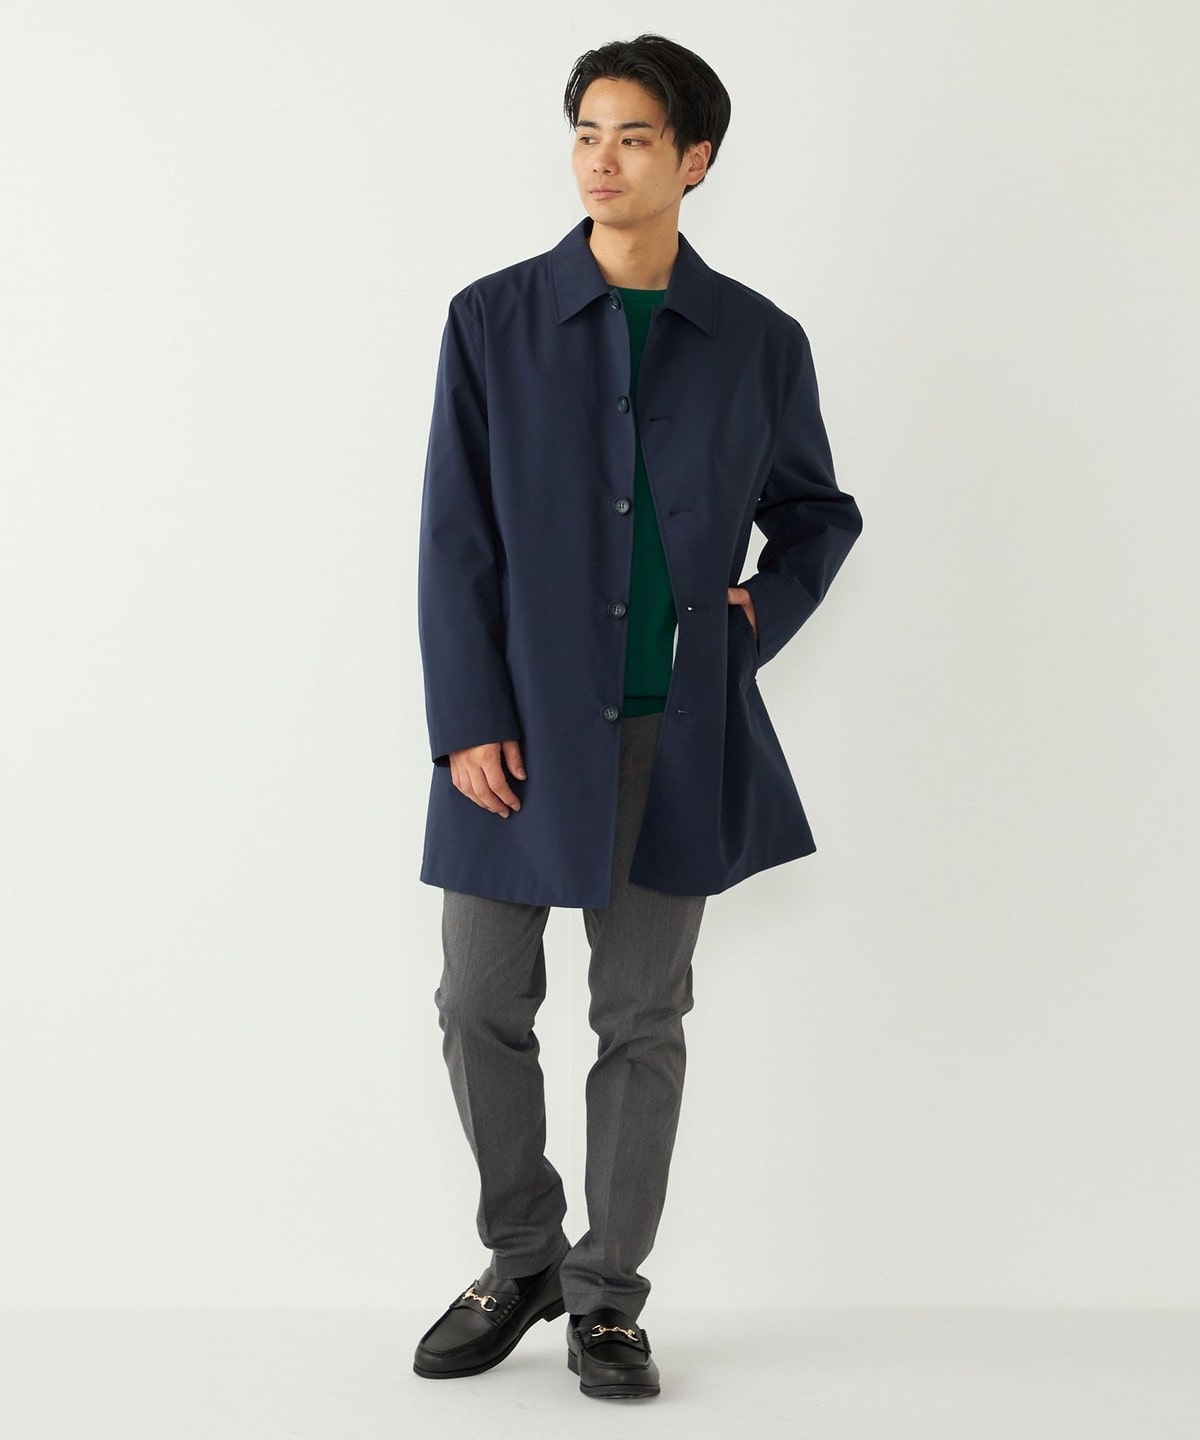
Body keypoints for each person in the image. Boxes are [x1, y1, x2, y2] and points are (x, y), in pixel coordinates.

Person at [412, 33, 863, 1400]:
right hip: (517, 732)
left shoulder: (757, 341)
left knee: (641, 1017)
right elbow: (456, 536)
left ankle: (607, 1297)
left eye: (635, 138)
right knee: (477, 1000)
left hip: (677, 731)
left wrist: (754, 617)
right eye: (586, 134)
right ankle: (523, 1257)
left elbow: (817, 514)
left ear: (695, 160)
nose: (602, 162)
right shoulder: (494, 321)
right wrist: (467, 718)